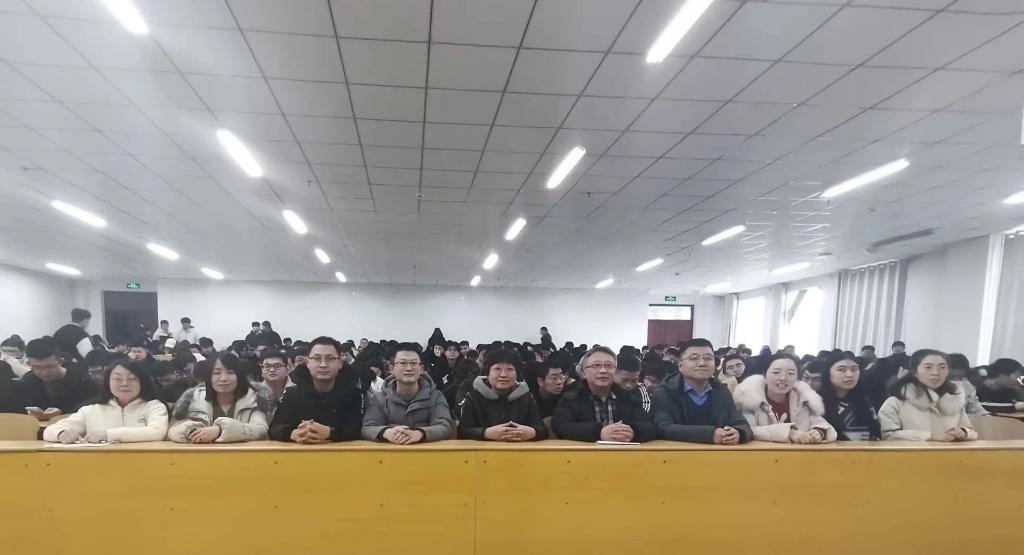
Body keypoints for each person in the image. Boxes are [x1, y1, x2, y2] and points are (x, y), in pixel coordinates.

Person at [43, 358, 167, 443]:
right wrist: (61, 433)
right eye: (117, 379)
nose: (124, 383)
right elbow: (49, 431)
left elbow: (157, 432)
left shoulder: (153, 406)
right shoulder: (91, 410)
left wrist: (109, 435)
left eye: (132, 378)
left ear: (142, 382)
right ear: (108, 382)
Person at [652, 338, 751, 445]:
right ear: (680, 364)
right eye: (694, 358)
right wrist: (710, 434)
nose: (702, 363)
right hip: (677, 452)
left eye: (708, 358)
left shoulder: (721, 390)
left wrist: (738, 432)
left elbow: (741, 423)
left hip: (718, 453)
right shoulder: (665, 392)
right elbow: (663, 428)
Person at [269, 336, 363, 443]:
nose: (323, 365)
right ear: (308, 363)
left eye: (330, 358)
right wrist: (293, 434)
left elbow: (357, 429)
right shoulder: (293, 394)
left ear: (340, 363)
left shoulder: (352, 394)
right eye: (317, 358)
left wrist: (330, 432)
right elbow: (275, 428)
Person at [552, 346, 655, 443]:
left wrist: (632, 432)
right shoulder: (571, 395)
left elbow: (649, 425)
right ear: (584, 372)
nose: (603, 371)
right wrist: (600, 433)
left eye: (608, 366)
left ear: (615, 371)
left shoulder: (627, 396)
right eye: (596, 366)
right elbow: (561, 427)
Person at [168, 352, 272, 443]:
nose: (223, 378)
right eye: (217, 373)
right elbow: (174, 430)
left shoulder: (253, 398)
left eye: (230, 372)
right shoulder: (195, 398)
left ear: (239, 375)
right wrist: (192, 431)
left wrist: (220, 430)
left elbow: (260, 429)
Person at [733, 353, 837, 444]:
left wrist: (819, 431)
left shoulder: (802, 399)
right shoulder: (748, 400)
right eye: (776, 372)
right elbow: (749, 430)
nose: (783, 378)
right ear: (764, 375)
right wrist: (788, 433)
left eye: (791, 373)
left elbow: (822, 424)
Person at [360, 343, 452, 444]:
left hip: (424, 451)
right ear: (391, 369)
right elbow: (368, 428)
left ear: (421, 369)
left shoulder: (435, 396)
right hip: (391, 451)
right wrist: (386, 433)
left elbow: (444, 426)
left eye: (414, 363)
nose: (409, 368)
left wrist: (420, 434)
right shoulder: (379, 398)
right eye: (403, 363)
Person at [878, 349, 977, 441]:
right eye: (928, 367)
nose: (936, 372)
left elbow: (971, 431)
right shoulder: (895, 403)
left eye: (942, 367)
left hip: (950, 454)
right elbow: (888, 437)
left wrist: (963, 433)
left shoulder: (954, 401)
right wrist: (930, 436)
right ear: (915, 372)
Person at [457, 348, 547, 442]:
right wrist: (486, 433)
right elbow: (463, 431)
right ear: (487, 373)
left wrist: (532, 432)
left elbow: (542, 430)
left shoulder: (526, 397)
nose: (503, 375)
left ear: (517, 374)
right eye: (497, 369)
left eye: (510, 369)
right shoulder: (473, 397)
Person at [16, 336, 97, 419]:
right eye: (37, 367)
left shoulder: (81, 379)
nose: (44, 372)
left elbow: (94, 408)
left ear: (60, 361)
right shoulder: (28, 381)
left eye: (49, 366)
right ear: (29, 364)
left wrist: (62, 413)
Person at [819, 353, 880, 441]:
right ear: (827, 373)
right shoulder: (817, 402)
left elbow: (876, 435)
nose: (850, 374)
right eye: (841, 370)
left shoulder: (864, 402)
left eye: (854, 369)